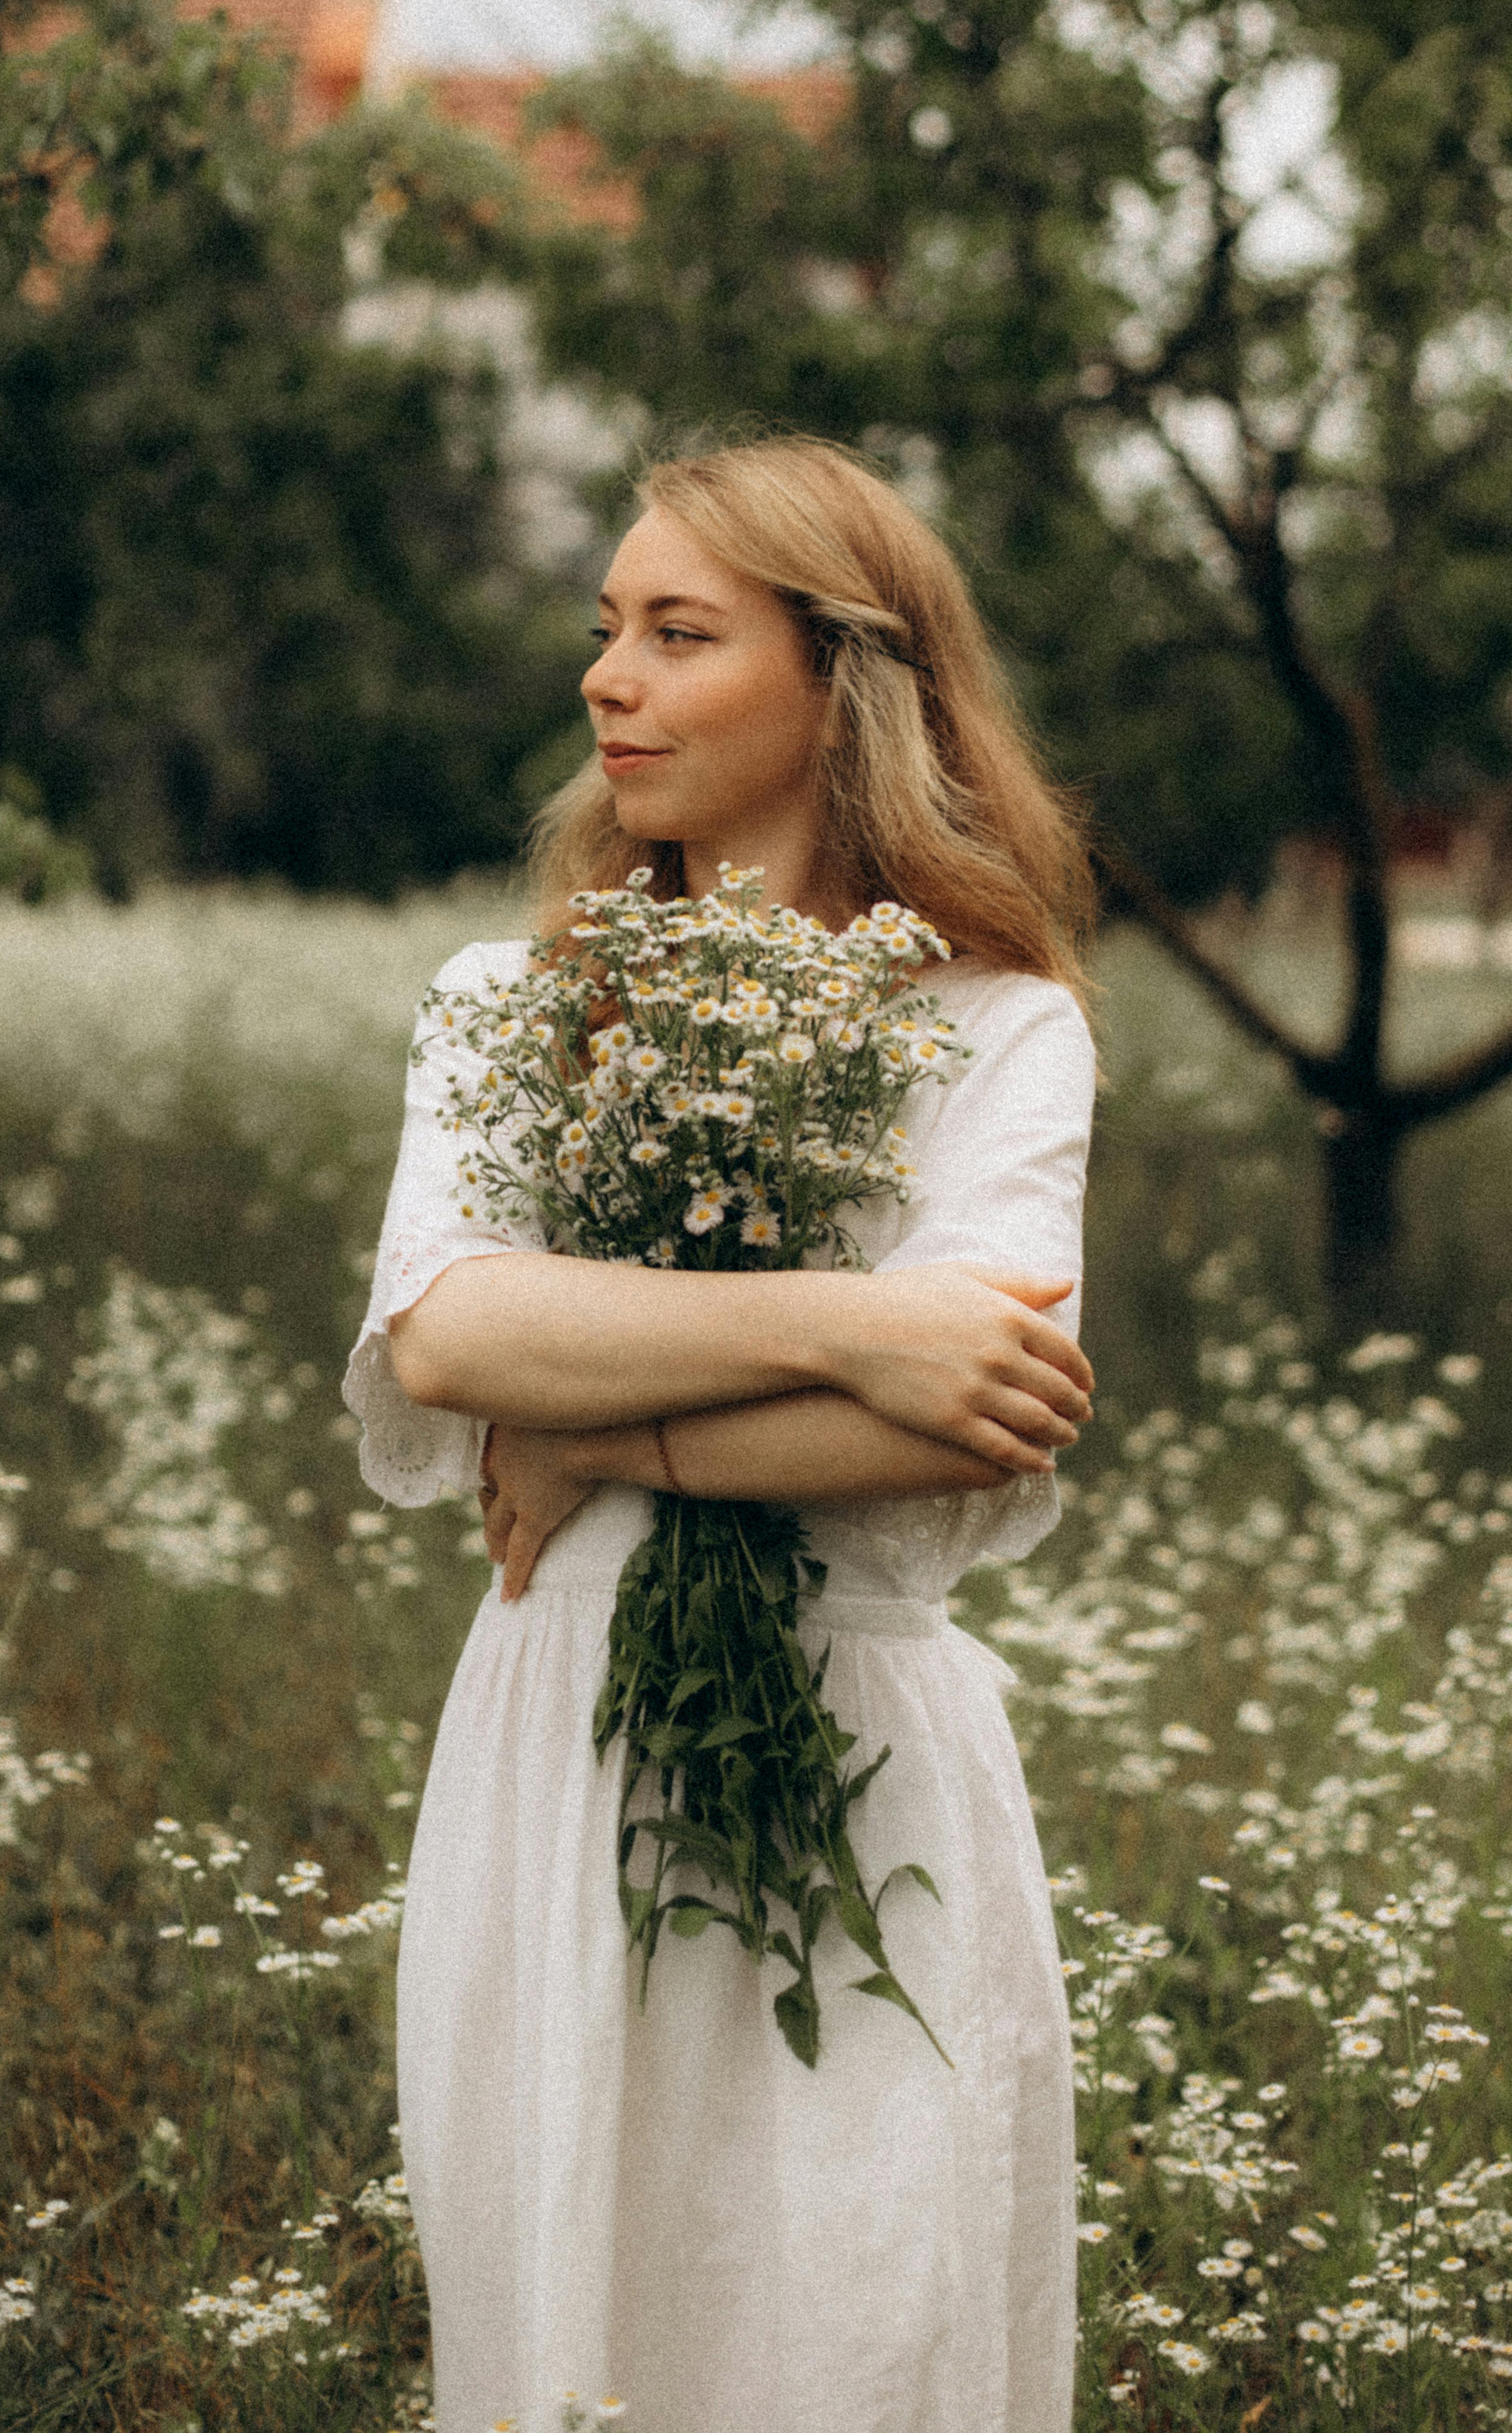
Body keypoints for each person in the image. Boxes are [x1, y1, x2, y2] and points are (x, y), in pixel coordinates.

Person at [345, 436, 1099, 2433]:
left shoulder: (1003, 1030)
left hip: (865, 1766)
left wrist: (610, 1442)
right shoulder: (503, 1003)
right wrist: (855, 1330)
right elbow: (451, 1330)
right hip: (562, 1734)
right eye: (607, 630)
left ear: (840, 683)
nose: (608, 680)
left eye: (679, 635)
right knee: (569, 2316)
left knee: (857, 2327)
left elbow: (973, 1425)